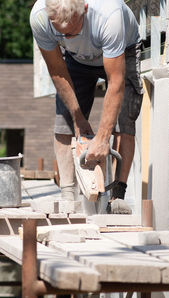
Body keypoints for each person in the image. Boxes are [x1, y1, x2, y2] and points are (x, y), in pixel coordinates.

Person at [30, 0, 144, 214]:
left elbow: (116, 82)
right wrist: (78, 118)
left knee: (124, 120)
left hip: (123, 51)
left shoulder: (109, 15)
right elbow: (57, 70)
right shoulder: (39, 18)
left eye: (72, 32)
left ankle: (117, 196)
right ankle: (67, 195)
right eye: (61, 34)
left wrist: (102, 139)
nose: (68, 38)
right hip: (76, 59)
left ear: (84, 9)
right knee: (64, 121)